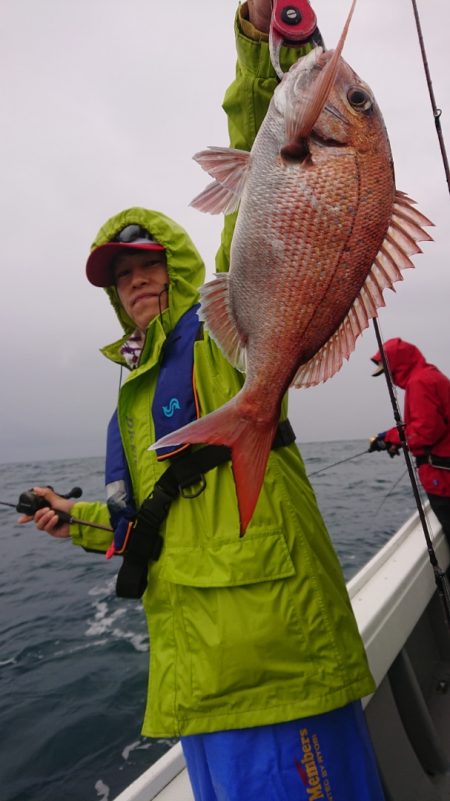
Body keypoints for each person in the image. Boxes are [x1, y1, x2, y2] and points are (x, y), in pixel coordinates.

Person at [20, 3, 386, 799]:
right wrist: (67, 516)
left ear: (178, 267)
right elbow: (149, 519)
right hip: (195, 682)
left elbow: (270, 168)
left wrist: (268, 38)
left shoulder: (221, 339)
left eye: (147, 264)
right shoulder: (139, 393)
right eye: (121, 276)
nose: (137, 281)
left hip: (273, 659)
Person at [370, 337, 450, 540]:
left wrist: (390, 440)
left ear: (397, 365)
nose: (389, 379)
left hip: (443, 479)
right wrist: (388, 437)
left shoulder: (419, 383)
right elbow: (426, 422)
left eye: (388, 372)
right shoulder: (429, 376)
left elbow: (425, 432)